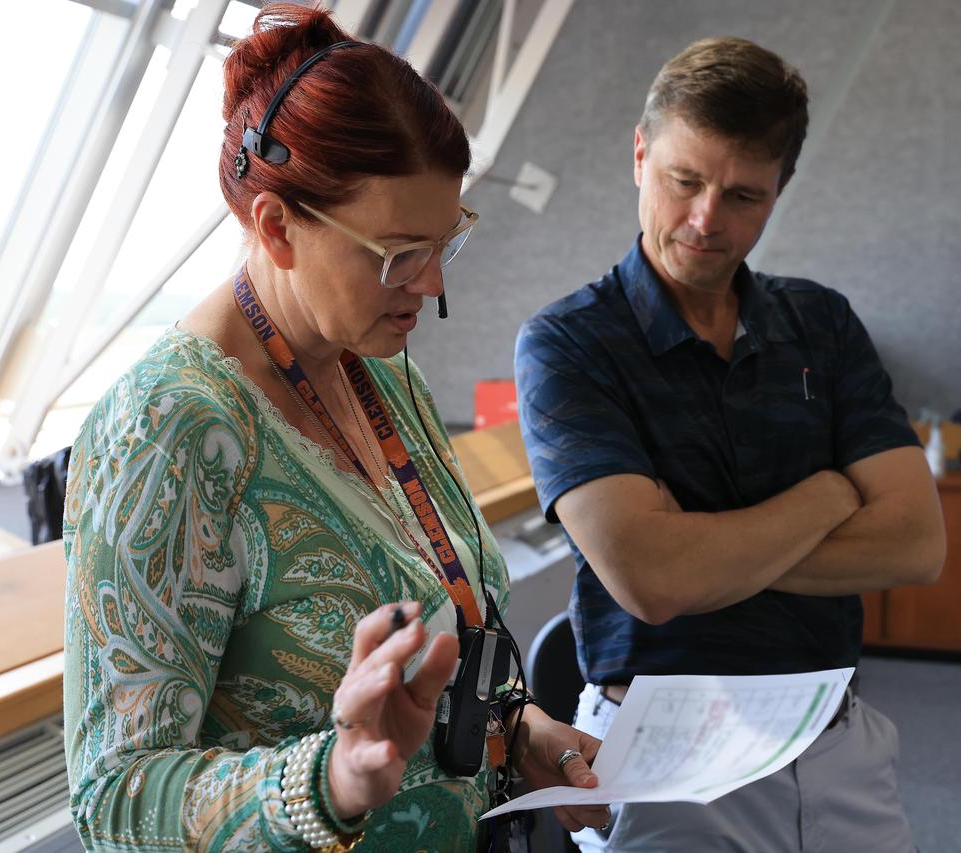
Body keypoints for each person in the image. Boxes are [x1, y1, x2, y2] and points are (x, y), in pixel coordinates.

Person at [62, 6, 609, 851]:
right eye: (397, 254)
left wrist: (518, 729)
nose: (429, 285)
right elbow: (115, 797)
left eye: (445, 242)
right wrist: (332, 780)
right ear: (277, 226)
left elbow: (448, 633)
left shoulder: (380, 368)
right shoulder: (170, 429)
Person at [515, 36, 947, 852]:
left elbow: (917, 543)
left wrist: (703, 550)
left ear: (781, 189)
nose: (707, 220)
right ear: (641, 156)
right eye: (685, 181)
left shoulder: (822, 321)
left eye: (745, 194)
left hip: (833, 734)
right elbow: (653, 579)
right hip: (664, 748)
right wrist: (830, 495)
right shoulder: (569, 343)